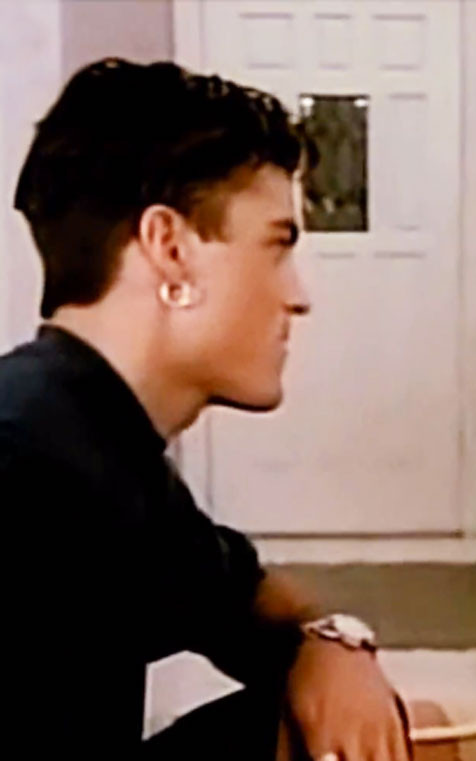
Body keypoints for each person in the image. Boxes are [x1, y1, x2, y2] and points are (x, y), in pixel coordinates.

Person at [2, 58, 409, 761]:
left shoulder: (103, 442)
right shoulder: (27, 466)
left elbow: (255, 603)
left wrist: (331, 642)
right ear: (170, 249)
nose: (298, 296)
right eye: (276, 247)